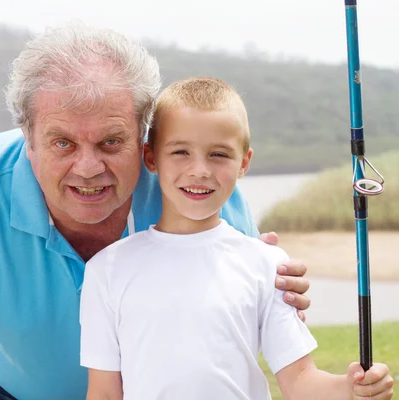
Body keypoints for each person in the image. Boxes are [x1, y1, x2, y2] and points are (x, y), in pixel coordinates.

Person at [0, 23, 313, 400]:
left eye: (111, 141)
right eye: (63, 142)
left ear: (145, 141)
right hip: (2, 384)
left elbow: (242, 315)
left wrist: (273, 290)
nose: (88, 168)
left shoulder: (197, 188)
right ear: (28, 138)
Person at [79, 76, 395, 400]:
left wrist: (351, 389)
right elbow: (104, 392)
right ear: (151, 158)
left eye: (218, 154)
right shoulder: (107, 269)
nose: (199, 170)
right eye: (180, 152)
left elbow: (300, 381)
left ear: (244, 162)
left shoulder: (268, 264)